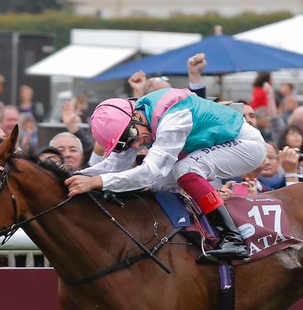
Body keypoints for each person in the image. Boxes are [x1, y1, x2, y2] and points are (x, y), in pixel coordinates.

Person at [65, 87, 265, 261]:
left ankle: (233, 238)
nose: (135, 145)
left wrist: (97, 182)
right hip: (221, 144)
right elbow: (114, 165)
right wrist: (73, 175)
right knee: (159, 184)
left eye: (131, 136)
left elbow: (149, 172)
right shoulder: (137, 118)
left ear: (135, 117)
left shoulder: (172, 118)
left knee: (183, 170)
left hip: (247, 146)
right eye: (125, 143)